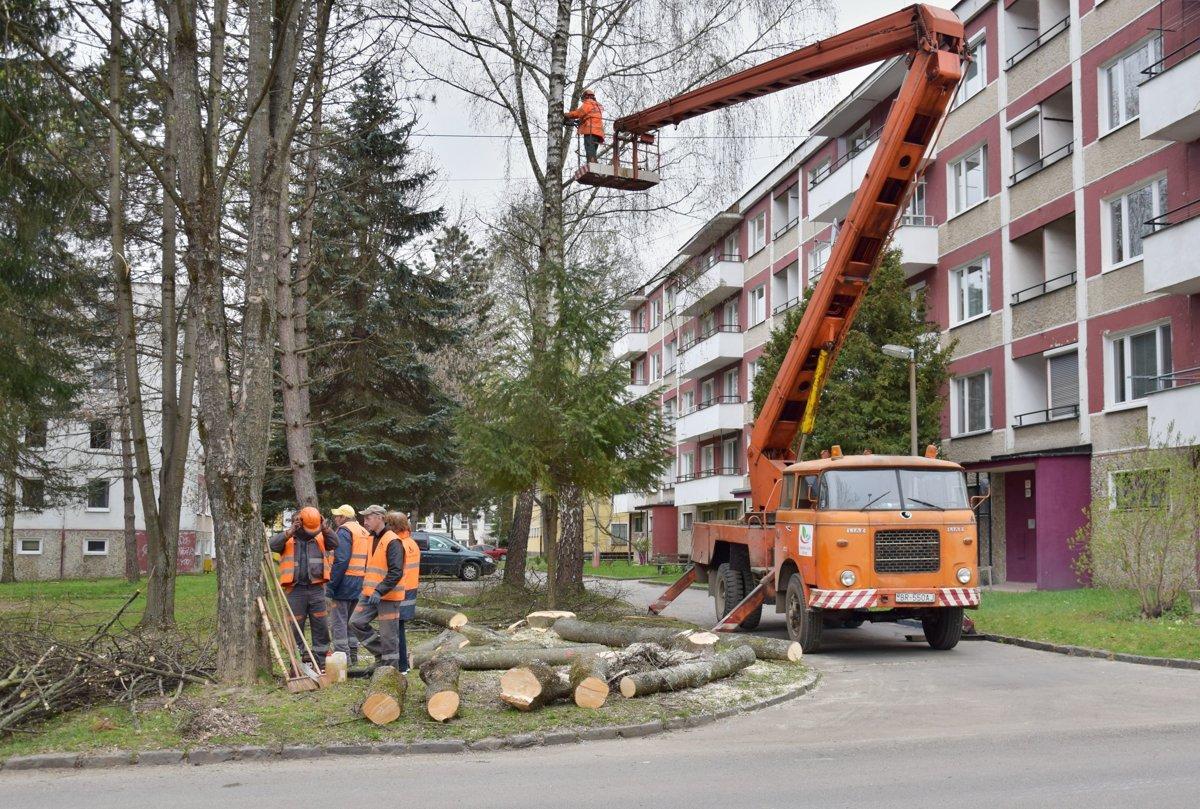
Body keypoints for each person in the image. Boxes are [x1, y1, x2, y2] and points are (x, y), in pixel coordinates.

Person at [268, 506, 338, 668]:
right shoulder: (288, 539)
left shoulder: (320, 537)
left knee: (320, 625)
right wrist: (290, 531)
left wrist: (325, 527)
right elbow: (272, 545)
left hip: (316, 589)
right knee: (294, 627)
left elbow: (335, 543)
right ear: (296, 523)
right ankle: (298, 661)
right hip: (295, 590)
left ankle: (321, 661)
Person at [349, 505, 406, 672]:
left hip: (388, 596)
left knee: (389, 637)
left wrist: (380, 590)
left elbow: (396, 572)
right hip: (369, 594)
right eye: (364, 518)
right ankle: (381, 656)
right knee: (356, 622)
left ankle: (390, 673)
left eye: (368, 518)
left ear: (380, 517)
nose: (364, 521)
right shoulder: (370, 538)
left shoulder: (393, 541)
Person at [326, 504, 371, 664]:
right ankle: (353, 655)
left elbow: (342, 560)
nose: (335, 518)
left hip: (345, 582)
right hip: (360, 581)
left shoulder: (345, 531)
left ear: (343, 517)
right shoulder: (364, 531)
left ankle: (342, 659)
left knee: (339, 622)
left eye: (337, 516)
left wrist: (331, 585)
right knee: (351, 622)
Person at [383, 510, 420, 674]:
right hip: (410, 590)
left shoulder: (399, 544)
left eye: (387, 524)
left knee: (396, 629)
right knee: (399, 628)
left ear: (393, 526)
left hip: (400, 591)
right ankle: (403, 664)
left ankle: (401, 666)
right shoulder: (412, 542)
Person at [565, 88, 604, 163]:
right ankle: (593, 161)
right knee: (593, 149)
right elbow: (589, 116)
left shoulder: (588, 103)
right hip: (599, 132)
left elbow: (578, 113)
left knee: (589, 147)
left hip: (590, 130)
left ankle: (591, 162)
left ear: (586, 97)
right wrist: (580, 121)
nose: (583, 100)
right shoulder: (597, 106)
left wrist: (566, 115)